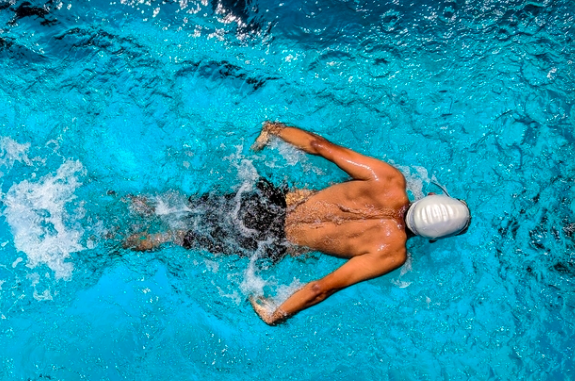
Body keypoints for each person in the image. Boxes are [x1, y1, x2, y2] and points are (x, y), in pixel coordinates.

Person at [124, 121, 470, 325]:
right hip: (270, 239)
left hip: (266, 201)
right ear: (432, 238)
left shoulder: (389, 180)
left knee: (175, 206)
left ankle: (129, 203)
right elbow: (322, 287)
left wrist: (275, 130)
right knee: (176, 236)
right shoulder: (391, 252)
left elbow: (321, 146)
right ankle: (117, 241)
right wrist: (278, 314)